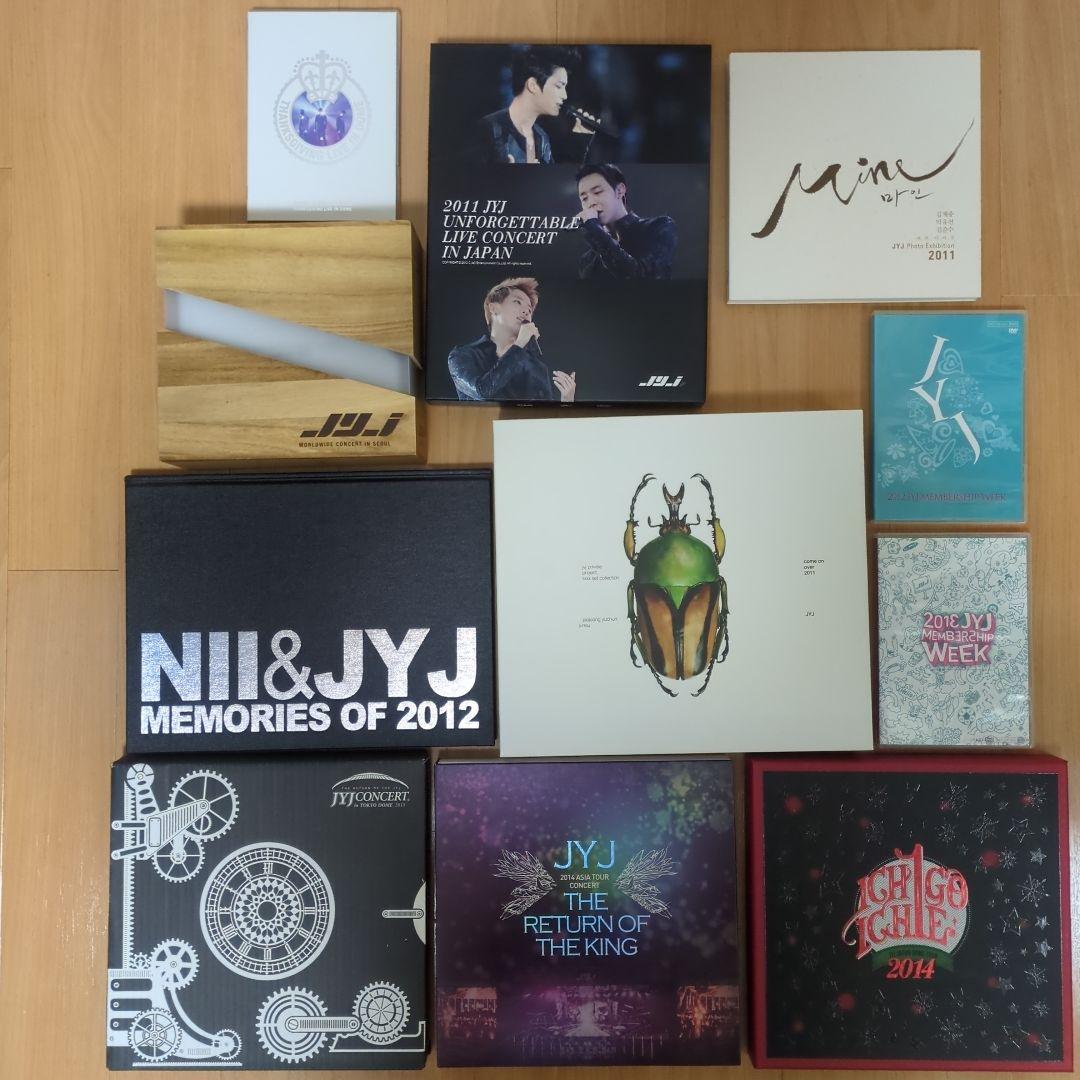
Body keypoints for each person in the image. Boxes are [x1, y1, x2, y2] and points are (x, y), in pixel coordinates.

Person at [447, 277, 577, 402]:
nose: (526, 311)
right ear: (494, 308)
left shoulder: (537, 367)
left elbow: (541, 414)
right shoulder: (463, 355)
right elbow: (483, 392)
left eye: (529, 309)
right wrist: (519, 344)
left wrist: (566, 401)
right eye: (517, 302)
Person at [471, 47, 594, 164]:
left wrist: (579, 141)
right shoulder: (489, 129)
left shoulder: (542, 138)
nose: (565, 95)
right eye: (559, 86)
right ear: (533, 85)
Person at [575, 164, 677, 279]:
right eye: (584, 198)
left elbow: (642, 277)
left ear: (619, 191)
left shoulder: (659, 227)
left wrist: (594, 230)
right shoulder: (588, 260)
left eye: (597, 192)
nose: (591, 203)